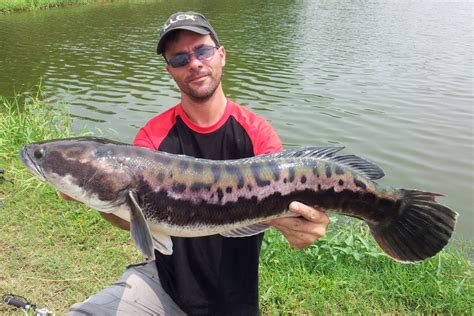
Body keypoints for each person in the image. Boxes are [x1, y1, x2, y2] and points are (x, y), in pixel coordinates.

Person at [67, 11, 329, 316]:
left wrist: (302, 226)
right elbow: (136, 220)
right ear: (170, 71)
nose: (193, 63)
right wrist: (97, 196)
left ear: (221, 55)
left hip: (235, 300)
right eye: (179, 59)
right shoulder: (152, 138)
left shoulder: (257, 134)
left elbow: (295, 211)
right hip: (164, 284)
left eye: (202, 50)